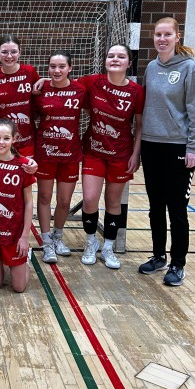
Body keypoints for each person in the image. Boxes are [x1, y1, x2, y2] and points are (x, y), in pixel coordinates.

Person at [138, 17, 195, 286]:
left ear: (177, 37)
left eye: (167, 34)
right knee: (155, 206)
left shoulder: (189, 68)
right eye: (158, 34)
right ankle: (159, 256)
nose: (162, 39)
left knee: (177, 209)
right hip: (151, 145)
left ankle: (178, 263)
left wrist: (193, 147)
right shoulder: (151, 67)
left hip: (178, 146)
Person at [80, 44, 145, 270]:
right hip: (94, 151)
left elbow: (140, 126)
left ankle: (108, 246)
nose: (115, 59)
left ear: (129, 63)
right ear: (105, 61)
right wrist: (42, 81)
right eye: (111, 56)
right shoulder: (92, 82)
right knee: (89, 199)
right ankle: (91, 242)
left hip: (121, 153)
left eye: (120, 56)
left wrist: (136, 154)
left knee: (113, 202)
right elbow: (64, 83)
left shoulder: (137, 91)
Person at [31, 52, 87, 264]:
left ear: (70, 68)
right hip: (45, 152)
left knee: (64, 201)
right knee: (44, 197)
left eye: (61, 66)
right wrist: (44, 81)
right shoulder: (40, 89)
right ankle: (46, 242)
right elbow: (33, 116)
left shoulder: (80, 89)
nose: (56, 70)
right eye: (52, 66)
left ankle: (58, 236)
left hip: (70, 153)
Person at [0, 119, 36, 292]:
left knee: (19, 288)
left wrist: (25, 237)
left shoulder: (24, 166)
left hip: (14, 232)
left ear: (14, 138)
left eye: (6, 138)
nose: (1, 142)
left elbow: (29, 202)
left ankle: (25, 260)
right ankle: (7, 263)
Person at [0, 34, 39, 154]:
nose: (9, 56)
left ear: (20, 52)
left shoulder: (30, 72)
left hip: (26, 138)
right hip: (0, 140)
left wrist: (45, 80)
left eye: (13, 52)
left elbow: (43, 93)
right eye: (4, 52)